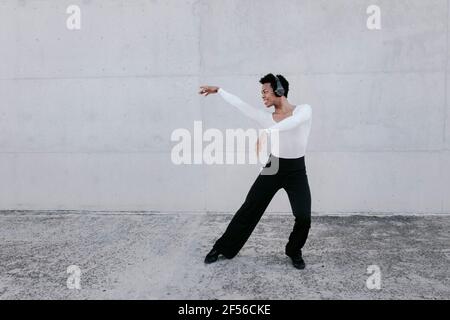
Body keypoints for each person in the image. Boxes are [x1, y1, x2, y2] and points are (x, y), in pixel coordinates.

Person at [198, 74, 312, 269]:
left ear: (279, 91)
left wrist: (267, 132)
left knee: (303, 216)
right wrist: (220, 91)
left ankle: (293, 250)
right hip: (273, 167)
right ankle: (222, 247)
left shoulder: (303, 110)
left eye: (265, 92)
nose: (263, 96)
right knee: (249, 209)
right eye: (262, 93)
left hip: (296, 170)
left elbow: (293, 122)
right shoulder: (266, 118)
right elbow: (241, 105)